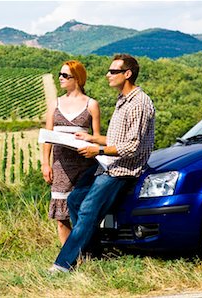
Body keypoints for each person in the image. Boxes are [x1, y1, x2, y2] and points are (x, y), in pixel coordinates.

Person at [49, 54, 155, 273]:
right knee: (76, 199)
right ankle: (92, 254)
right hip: (110, 164)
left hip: (124, 169)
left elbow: (131, 147)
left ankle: (63, 264)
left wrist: (95, 150)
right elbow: (116, 139)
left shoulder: (139, 103)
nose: (107, 74)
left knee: (87, 209)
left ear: (127, 74)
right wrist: (92, 138)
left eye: (113, 71)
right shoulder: (122, 100)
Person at [42, 60, 101, 246]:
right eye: (60, 74)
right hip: (60, 166)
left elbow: (97, 137)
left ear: (77, 78)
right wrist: (45, 163)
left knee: (83, 212)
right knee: (61, 218)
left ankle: (86, 252)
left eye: (65, 75)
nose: (60, 78)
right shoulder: (54, 104)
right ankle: (67, 257)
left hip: (85, 165)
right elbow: (47, 136)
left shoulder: (92, 105)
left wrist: (87, 138)